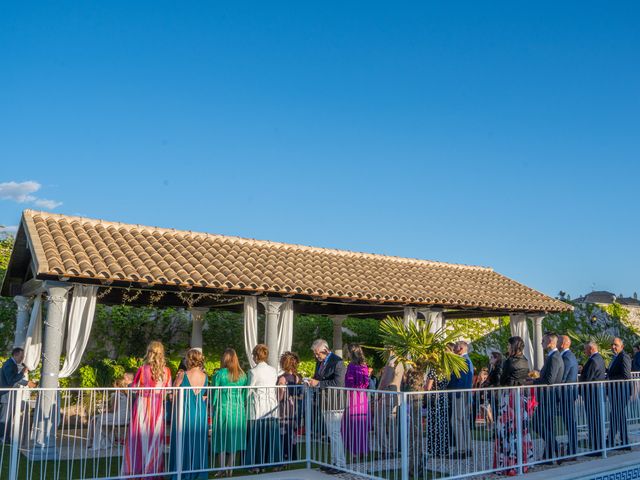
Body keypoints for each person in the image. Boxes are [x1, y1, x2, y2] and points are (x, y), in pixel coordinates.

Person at [121, 341, 172, 477]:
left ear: (149, 353)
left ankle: (136, 470)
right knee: (154, 440)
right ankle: (152, 471)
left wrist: (129, 385)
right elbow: (168, 391)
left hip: (142, 407)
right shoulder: (166, 371)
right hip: (158, 408)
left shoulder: (143, 370)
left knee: (138, 439)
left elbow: (134, 388)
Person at [494, 336, 535, 475]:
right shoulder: (525, 360)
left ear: (513, 347)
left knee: (507, 430)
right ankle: (523, 462)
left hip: (509, 396)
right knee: (521, 429)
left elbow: (503, 379)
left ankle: (508, 464)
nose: (507, 348)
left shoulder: (509, 362)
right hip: (521, 396)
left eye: (508, 346)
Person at [169, 349, 209, 480]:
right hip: (200, 412)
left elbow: (173, 395)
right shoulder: (205, 376)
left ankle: (182, 471)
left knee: (183, 440)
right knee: (198, 441)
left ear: (189, 360)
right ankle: (198, 471)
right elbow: (204, 396)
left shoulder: (182, 375)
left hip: (185, 411)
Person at [308, 338, 346, 472]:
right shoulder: (319, 362)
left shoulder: (338, 362)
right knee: (331, 434)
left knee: (335, 433)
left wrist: (318, 384)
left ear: (325, 349)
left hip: (335, 402)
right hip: (324, 401)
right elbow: (317, 377)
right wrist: (310, 381)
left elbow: (339, 384)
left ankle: (340, 464)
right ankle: (334, 461)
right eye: (315, 353)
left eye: (318, 353)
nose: (316, 356)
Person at [211, 348, 248, 477]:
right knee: (233, 438)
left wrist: (212, 404)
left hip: (223, 409)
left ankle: (221, 468)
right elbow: (244, 395)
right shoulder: (243, 375)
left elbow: (214, 395)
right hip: (238, 410)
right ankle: (230, 467)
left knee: (221, 438)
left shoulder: (219, 374)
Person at [246, 344, 281, 470]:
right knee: (271, 437)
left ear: (256, 356)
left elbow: (249, 390)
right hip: (271, 405)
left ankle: (256, 465)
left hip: (258, 407)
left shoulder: (253, 372)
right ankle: (273, 462)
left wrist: (245, 402)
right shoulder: (273, 370)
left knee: (256, 438)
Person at [532, 332, 564, 463]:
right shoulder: (551, 356)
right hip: (547, 396)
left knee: (536, 423)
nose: (541, 343)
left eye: (543, 341)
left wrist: (532, 382)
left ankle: (557, 447)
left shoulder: (555, 357)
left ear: (550, 342)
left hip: (549, 397)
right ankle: (549, 456)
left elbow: (550, 380)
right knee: (548, 426)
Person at [87, 373, 132, 450]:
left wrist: (104, 411)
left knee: (95, 419)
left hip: (117, 417)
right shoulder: (126, 395)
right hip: (126, 417)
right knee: (98, 418)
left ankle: (94, 442)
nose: (113, 386)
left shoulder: (115, 395)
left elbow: (113, 409)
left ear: (117, 386)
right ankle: (105, 441)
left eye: (114, 385)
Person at [0, 347, 36, 441]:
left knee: (9, 418)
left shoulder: (12, 364)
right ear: (15, 355)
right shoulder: (9, 364)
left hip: (10, 395)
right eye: (21, 356)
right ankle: (3, 438)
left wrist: (26, 382)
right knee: (5, 418)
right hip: (6, 395)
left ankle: (6, 438)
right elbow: (11, 380)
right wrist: (23, 373)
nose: (22, 359)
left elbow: (15, 379)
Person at [341, 344, 370, 458]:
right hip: (363, 397)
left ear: (351, 353)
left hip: (353, 397)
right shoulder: (364, 366)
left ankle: (354, 451)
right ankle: (363, 450)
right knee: (361, 425)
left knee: (352, 425)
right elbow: (367, 383)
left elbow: (348, 383)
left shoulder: (351, 366)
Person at [447, 340, 474, 459]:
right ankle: (467, 448)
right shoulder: (467, 360)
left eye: (456, 347)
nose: (454, 349)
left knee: (456, 421)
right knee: (463, 421)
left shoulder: (463, 360)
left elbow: (461, 380)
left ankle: (461, 450)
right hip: (465, 394)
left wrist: (455, 393)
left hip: (460, 394)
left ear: (461, 348)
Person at [374, 352, 404, 455]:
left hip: (387, 397)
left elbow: (384, 381)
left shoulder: (392, 362)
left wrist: (377, 394)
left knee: (378, 423)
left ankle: (385, 449)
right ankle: (392, 448)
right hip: (396, 396)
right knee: (392, 424)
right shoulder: (401, 363)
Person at [580, 341, 606, 453]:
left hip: (592, 395)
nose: (584, 352)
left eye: (585, 349)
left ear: (591, 349)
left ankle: (596, 448)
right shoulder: (599, 358)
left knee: (593, 421)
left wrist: (580, 390)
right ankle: (598, 446)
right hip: (597, 394)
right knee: (596, 420)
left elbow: (588, 379)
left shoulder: (593, 360)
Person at [277, 352, 303, 462]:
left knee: (283, 433)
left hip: (284, 408)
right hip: (295, 409)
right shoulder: (298, 377)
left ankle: (284, 455)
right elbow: (301, 395)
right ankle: (293, 456)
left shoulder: (282, 378)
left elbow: (280, 396)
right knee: (292, 433)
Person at [607, 337, 631, 449]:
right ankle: (620, 440)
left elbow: (626, 375)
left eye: (616, 345)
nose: (613, 347)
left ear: (622, 346)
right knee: (617, 415)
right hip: (615, 391)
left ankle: (615, 439)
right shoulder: (615, 357)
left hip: (621, 391)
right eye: (612, 344)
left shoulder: (624, 357)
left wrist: (610, 380)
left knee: (617, 415)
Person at [558, 335, 578, 457]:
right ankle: (571, 448)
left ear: (564, 343)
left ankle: (572, 449)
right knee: (569, 421)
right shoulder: (566, 355)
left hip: (567, 393)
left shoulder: (567, 357)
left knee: (570, 422)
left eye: (559, 340)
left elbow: (562, 377)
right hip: (567, 393)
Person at [424, 364, 449, 457]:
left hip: (435, 398)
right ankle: (443, 449)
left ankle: (435, 449)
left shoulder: (433, 371)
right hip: (443, 398)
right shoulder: (446, 370)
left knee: (434, 423)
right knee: (442, 423)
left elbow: (428, 387)